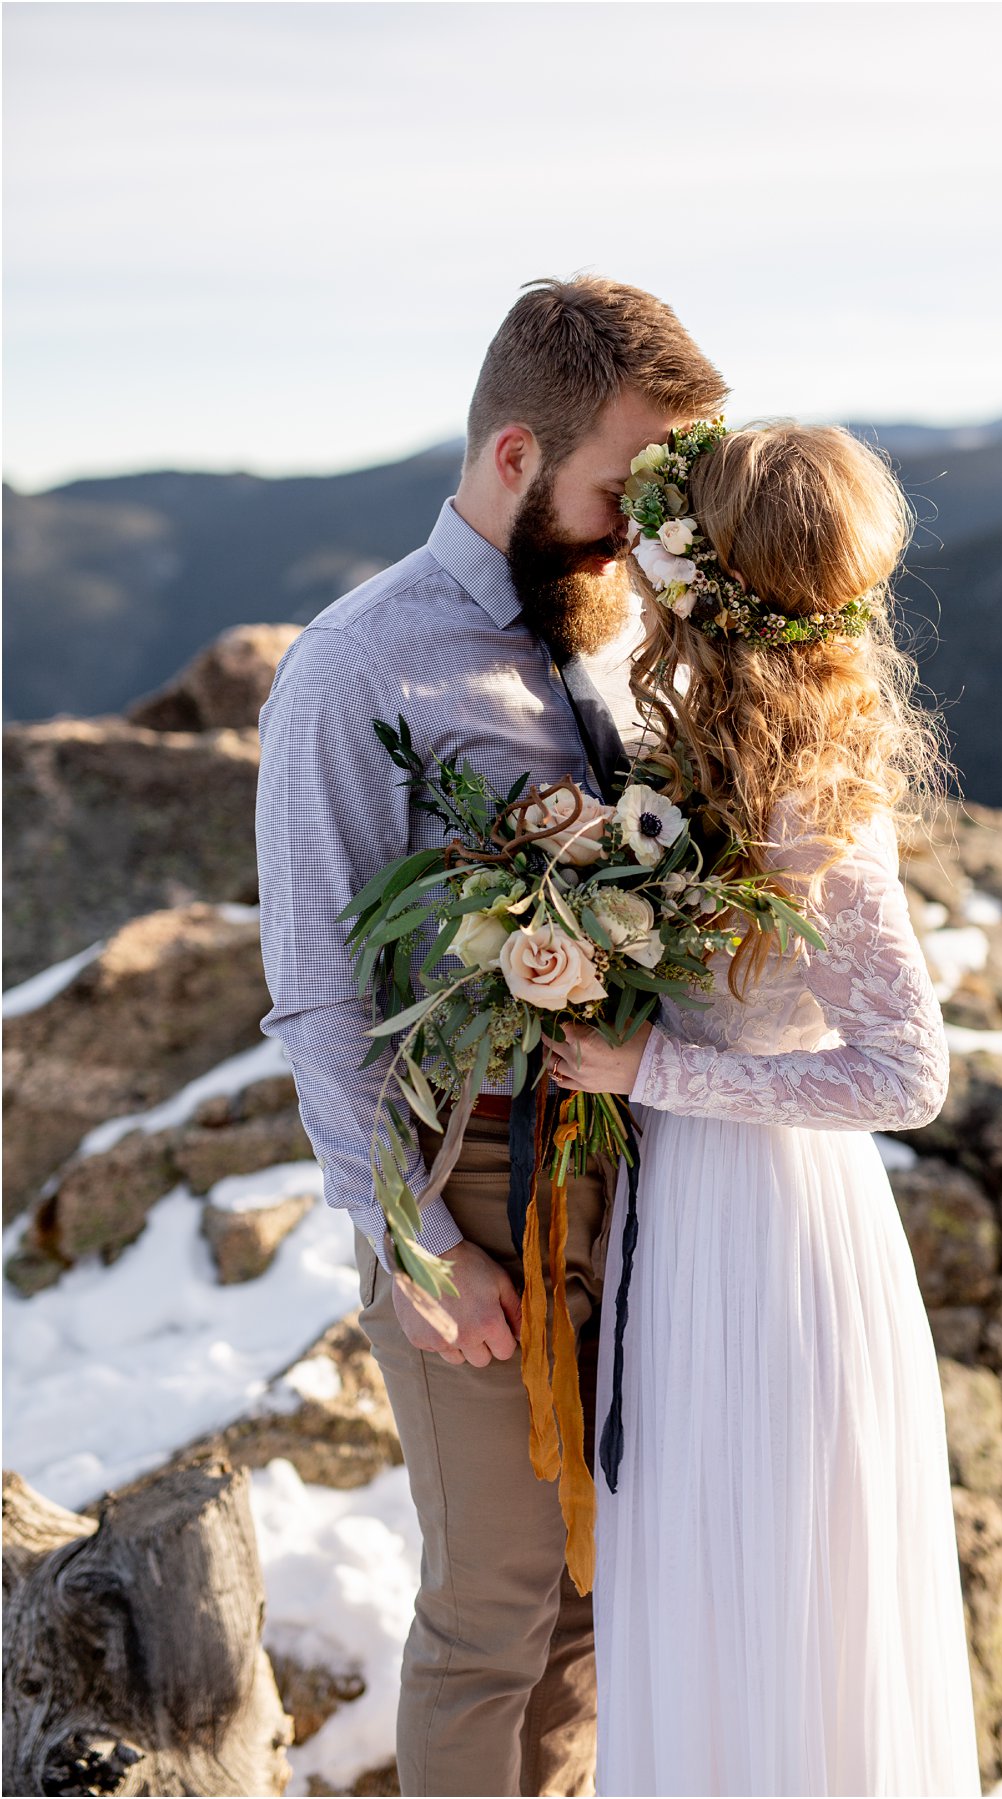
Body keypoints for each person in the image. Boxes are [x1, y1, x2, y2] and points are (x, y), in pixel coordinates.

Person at [258, 275, 726, 1795]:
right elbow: (319, 989)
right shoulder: (353, 667)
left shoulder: (607, 638)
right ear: (518, 457)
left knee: (592, 1600)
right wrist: (412, 1238)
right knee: (493, 1606)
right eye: (619, 486)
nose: (636, 527)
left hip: (628, 1169)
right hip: (468, 1183)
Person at [548, 421, 980, 1795]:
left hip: (775, 1223)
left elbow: (910, 1072)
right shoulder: (705, 749)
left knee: (771, 1584)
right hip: (688, 1211)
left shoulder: (817, 799)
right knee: (693, 1575)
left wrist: (652, 1073)